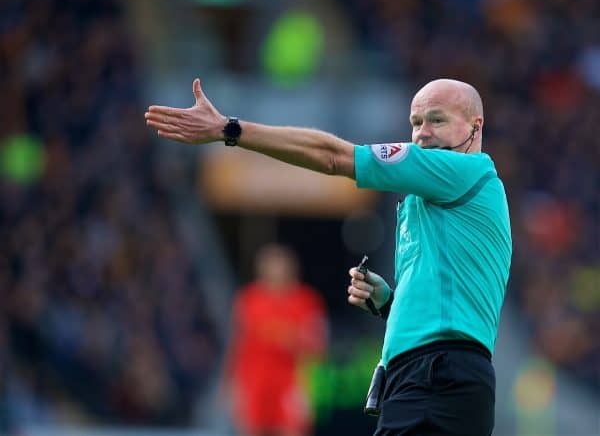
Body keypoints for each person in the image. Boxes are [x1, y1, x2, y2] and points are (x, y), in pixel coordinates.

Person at [145, 78, 512, 435]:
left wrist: (229, 129)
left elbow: (333, 156)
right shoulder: (441, 201)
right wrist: (389, 303)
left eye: (437, 119)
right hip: (439, 377)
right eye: (416, 122)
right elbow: (457, 303)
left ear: (475, 126)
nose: (422, 133)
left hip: (436, 376)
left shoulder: (462, 171)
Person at [222, 244, 328, 436]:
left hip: (289, 382)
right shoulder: (250, 299)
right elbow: (238, 344)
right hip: (255, 381)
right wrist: (232, 384)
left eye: (280, 265)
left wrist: (307, 390)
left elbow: (317, 346)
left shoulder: (306, 301)